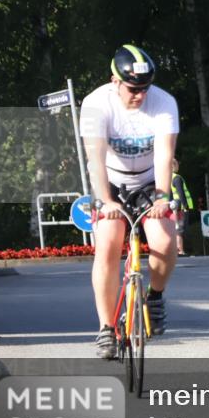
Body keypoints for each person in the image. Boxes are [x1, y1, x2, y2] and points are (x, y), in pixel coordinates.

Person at [80, 44, 179, 359]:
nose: (140, 95)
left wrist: (162, 196)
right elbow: (94, 159)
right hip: (111, 181)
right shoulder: (96, 104)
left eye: (145, 88)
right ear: (115, 80)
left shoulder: (164, 103)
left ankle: (156, 297)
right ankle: (106, 329)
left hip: (149, 181)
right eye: (133, 88)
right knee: (108, 245)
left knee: (165, 241)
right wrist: (105, 201)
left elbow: (165, 155)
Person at [171, 159, 194, 256]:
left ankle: (177, 249)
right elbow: (181, 193)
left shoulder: (168, 178)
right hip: (180, 206)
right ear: (173, 166)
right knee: (180, 229)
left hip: (175, 206)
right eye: (177, 164)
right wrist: (185, 206)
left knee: (176, 228)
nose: (178, 165)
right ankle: (180, 250)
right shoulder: (177, 178)